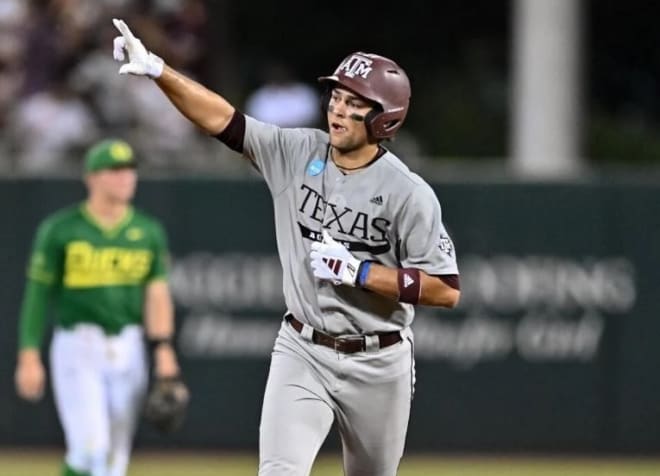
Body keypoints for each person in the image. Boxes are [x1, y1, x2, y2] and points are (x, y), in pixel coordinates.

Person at [112, 18, 460, 476]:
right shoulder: (298, 153)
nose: (337, 110)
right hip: (303, 347)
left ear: (384, 117)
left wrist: (360, 273)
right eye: (336, 97)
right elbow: (225, 120)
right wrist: (160, 71)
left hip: (379, 359)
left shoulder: (408, 193)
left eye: (354, 103)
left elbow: (445, 288)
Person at [14, 139, 182, 476]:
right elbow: (37, 295)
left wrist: (163, 348)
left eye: (130, 170)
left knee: (113, 462)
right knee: (92, 450)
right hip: (78, 347)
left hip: (130, 347)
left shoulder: (148, 231)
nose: (125, 178)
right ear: (92, 178)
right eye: (115, 170)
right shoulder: (61, 229)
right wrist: (28, 354)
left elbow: (157, 295)